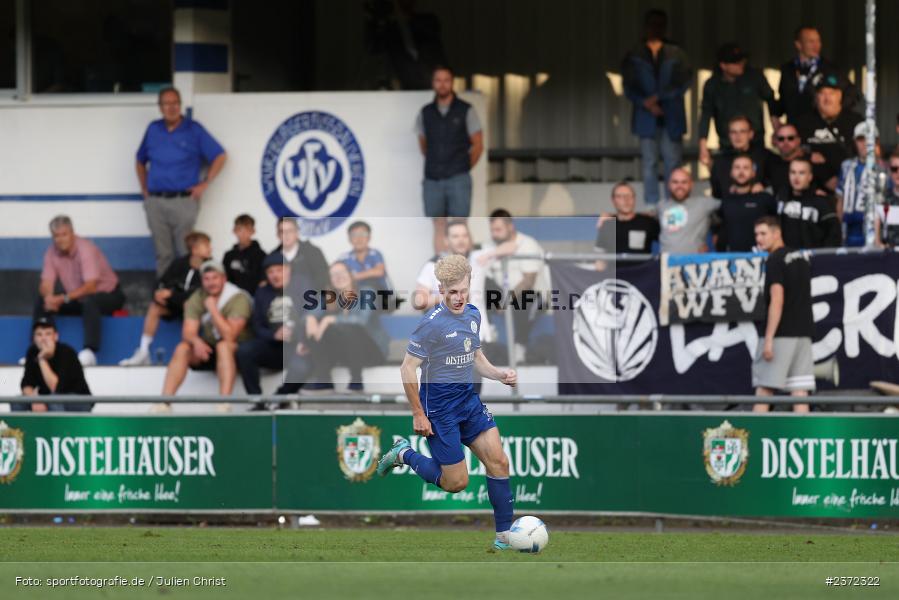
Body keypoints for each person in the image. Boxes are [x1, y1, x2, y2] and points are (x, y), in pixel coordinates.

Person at [376, 254, 518, 550]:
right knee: (456, 483)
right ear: (441, 289)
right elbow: (406, 368)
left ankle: (505, 536)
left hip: (468, 401)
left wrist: (499, 374)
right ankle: (404, 453)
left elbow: (476, 357)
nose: (458, 297)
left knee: (499, 462)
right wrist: (418, 413)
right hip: (439, 410)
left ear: (469, 285)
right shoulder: (431, 325)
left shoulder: (474, 314)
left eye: (463, 291)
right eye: (451, 292)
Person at [136, 86, 227, 276]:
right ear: (160, 107)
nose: (171, 107)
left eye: (175, 103)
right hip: (156, 202)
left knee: (186, 253)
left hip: (184, 201)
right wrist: (144, 187)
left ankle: (187, 298)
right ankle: (164, 298)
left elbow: (220, 155)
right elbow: (140, 160)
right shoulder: (153, 129)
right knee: (163, 254)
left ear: (181, 105)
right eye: (167, 104)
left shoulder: (193, 129)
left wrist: (205, 183)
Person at [158, 260, 252, 412]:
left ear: (224, 278)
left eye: (215, 278)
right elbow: (188, 332)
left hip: (239, 350)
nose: (211, 283)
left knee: (223, 346)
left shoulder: (237, 297)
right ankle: (164, 403)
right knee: (183, 347)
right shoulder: (198, 296)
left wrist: (213, 310)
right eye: (206, 279)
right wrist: (196, 341)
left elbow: (230, 336)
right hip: (209, 349)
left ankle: (224, 403)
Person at [622, 9, 692, 206]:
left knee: (673, 162)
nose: (656, 28)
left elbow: (685, 81)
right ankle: (652, 206)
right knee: (649, 163)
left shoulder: (676, 52)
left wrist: (659, 98)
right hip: (646, 117)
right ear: (646, 27)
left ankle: (674, 203)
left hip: (671, 115)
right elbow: (628, 86)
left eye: (660, 24)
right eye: (653, 24)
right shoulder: (635, 53)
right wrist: (646, 103)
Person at [34, 216, 125, 366]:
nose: (60, 239)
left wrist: (63, 299)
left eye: (64, 234)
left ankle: (90, 352)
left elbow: (91, 287)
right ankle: (39, 349)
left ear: (72, 233)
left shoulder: (86, 249)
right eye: (56, 236)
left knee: (91, 302)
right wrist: (49, 297)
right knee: (41, 302)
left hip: (110, 295)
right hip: (77, 298)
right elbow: (46, 283)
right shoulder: (51, 252)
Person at [416, 65, 484, 253]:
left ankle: (466, 271)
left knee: (460, 223)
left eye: (446, 80)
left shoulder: (466, 110)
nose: (442, 84)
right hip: (433, 178)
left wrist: (463, 167)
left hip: (458, 177)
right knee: (438, 224)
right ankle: (440, 270)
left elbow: (478, 144)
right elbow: (423, 144)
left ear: (452, 82)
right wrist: (437, 162)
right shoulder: (426, 112)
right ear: (433, 83)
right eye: (438, 80)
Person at [120, 231, 211, 366]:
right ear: (195, 249)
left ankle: (186, 352)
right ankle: (144, 352)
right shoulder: (180, 263)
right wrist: (159, 294)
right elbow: (162, 282)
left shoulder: (210, 267)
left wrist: (171, 295)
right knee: (155, 307)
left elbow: (198, 295)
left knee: (189, 304)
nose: (210, 248)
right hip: (176, 305)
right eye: (206, 245)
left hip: (198, 310)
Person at [752, 217, 813, 413]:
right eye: (756, 234)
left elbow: (777, 299)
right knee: (800, 391)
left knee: (764, 389)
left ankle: (751, 440)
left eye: (763, 233)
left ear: (777, 233)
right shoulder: (801, 257)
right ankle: (804, 440)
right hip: (803, 333)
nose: (758, 239)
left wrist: (769, 338)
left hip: (781, 334)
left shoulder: (774, 260)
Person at [303, 261, 389, 393]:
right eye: (333, 275)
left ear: (350, 274)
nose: (338, 277)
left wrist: (330, 319)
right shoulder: (331, 297)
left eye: (342, 272)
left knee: (348, 328)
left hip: (371, 352)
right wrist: (310, 319)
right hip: (347, 353)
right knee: (314, 326)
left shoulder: (366, 292)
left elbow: (361, 321)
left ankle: (356, 381)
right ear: (330, 280)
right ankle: (324, 380)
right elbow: (309, 314)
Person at [237, 252, 308, 406]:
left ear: (288, 269)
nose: (275, 275)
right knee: (244, 351)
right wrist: (274, 335)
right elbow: (257, 325)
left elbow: (312, 316)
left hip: (297, 346)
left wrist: (298, 335)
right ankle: (257, 402)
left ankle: (278, 399)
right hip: (274, 347)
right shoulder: (262, 292)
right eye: (270, 272)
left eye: (279, 270)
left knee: (304, 363)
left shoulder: (303, 286)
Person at [698, 43, 778, 166]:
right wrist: (703, 146)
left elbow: (771, 100)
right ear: (723, 65)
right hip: (727, 143)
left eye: (741, 60)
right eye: (735, 62)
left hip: (755, 140)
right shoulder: (712, 85)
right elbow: (705, 114)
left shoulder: (755, 77)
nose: (740, 64)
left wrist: (776, 128)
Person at [414, 220, 493, 344]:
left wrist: (493, 253)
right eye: (455, 236)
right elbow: (418, 301)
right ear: (446, 240)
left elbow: (512, 246)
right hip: (445, 337)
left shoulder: (478, 258)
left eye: (465, 235)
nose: (461, 240)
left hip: (478, 336)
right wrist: (448, 297)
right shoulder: (432, 265)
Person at [481, 209, 550, 351]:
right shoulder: (491, 246)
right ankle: (488, 332)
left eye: (498, 229)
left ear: (510, 226)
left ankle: (520, 346)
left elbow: (528, 281)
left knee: (526, 298)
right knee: (480, 283)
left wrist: (506, 300)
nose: (494, 234)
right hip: (504, 298)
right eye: (492, 230)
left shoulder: (527, 244)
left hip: (534, 297)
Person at [794, 73, 863, 191]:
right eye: (822, 93)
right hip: (813, 190)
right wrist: (808, 156)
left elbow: (871, 153)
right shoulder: (803, 123)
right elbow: (791, 150)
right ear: (816, 97)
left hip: (851, 187)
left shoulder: (856, 122)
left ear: (840, 95)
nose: (827, 98)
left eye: (831, 93)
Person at [777, 26, 857, 124]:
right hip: (795, 127)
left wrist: (835, 111)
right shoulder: (787, 69)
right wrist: (775, 116)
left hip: (820, 129)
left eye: (818, 41)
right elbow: (783, 99)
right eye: (811, 41)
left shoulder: (830, 69)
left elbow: (852, 93)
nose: (816, 45)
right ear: (798, 45)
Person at [12, 317, 93, 413]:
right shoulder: (32, 352)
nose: (43, 338)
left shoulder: (66, 352)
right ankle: (21, 428)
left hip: (80, 400)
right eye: (39, 334)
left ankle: (58, 428)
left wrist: (42, 359)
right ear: (34, 338)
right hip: (50, 398)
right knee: (18, 401)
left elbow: (55, 387)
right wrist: (34, 399)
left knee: (53, 401)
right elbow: (26, 384)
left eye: (48, 334)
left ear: (56, 336)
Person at [836, 122, 885, 247]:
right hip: (848, 231)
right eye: (860, 139)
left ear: (877, 141)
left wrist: (878, 238)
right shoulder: (846, 166)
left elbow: (884, 204)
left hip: (872, 232)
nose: (866, 143)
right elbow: (840, 199)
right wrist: (839, 231)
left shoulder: (885, 169)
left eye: (870, 138)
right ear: (854, 142)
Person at [716, 155, 778, 252]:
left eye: (746, 168)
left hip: (762, 257)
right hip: (732, 259)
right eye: (737, 167)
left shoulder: (765, 198)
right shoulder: (726, 200)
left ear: (753, 173)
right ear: (731, 173)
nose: (741, 172)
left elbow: (777, 227)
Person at [777, 157, 841, 249]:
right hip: (786, 257)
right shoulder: (781, 197)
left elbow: (834, 234)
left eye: (801, 173)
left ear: (810, 177)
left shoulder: (821, 201)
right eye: (793, 172)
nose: (796, 177)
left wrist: (824, 258)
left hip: (814, 259)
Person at [658, 168, 720, 254]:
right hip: (666, 264)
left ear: (691, 184)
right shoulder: (661, 206)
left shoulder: (704, 203)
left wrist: (718, 233)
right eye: (675, 182)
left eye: (684, 182)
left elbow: (731, 208)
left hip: (694, 263)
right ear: (669, 185)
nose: (679, 186)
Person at [708, 115, 769, 199]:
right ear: (729, 135)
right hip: (728, 207)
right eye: (733, 132)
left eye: (742, 131)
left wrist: (763, 188)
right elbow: (716, 193)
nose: (738, 136)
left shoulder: (764, 157)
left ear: (751, 134)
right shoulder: (719, 161)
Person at [595, 182, 660, 256]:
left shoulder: (648, 222)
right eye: (620, 196)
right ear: (613, 200)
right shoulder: (608, 224)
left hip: (642, 267)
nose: (626, 200)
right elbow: (601, 259)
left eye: (629, 196)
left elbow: (669, 242)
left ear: (634, 198)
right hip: (616, 267)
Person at [765, 123, 829, 197]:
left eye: (790, 138)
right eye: (781, 139)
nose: (786, 142)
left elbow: (835, 187)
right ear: (775, 142)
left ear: (798, 140)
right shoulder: (770, 162)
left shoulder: (813, 160)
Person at [274, 217, 330, 295]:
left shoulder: (313, 252)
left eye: (290, 231)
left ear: (297, 233)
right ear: (278, 235)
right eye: (282, 231)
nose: (286, 235)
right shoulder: (272, 258)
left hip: (312, 301)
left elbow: (324, 280)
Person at [338, 220, 389, 292]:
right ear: (349, 239)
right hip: (354, 294)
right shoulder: (344, 258)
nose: (359, 239)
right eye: (354, 235)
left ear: (369, 237)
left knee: (366, 290)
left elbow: (379, 271)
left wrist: (352, 277)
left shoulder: (375, 253)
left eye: (363, 234)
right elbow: (338, 277)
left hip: (380, 294)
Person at [223, 214, 266, 295]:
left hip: (253, 298)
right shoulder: (229, 256)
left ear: (253, 231)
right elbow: (225, 279)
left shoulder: (260, 255)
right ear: (234, 230)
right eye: (239, 229)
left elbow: (263, 281)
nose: (243, 233)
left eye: (247, 230)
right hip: (232, 297)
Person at [875, 149, 899, 247]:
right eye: (894, 169)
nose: (898, 173)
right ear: (889, 171)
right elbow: (876, 240)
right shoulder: (882, 198)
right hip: (888, 258)